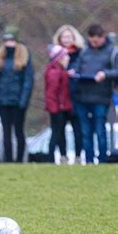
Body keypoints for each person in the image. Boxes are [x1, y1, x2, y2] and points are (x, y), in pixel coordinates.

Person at [72, 24, 118, 164]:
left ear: (103, 37)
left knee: (100, 130)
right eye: (91, 41)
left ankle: (102, 160)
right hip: (82, 96)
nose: (94, 43)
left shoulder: (113, 52)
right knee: (86, 132)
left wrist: (105, 74)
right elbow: (77, 67)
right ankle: (89, 160)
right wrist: (74, 73)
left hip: (101, 97)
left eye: (97, 41)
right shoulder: (84, 51)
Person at [0, 25, 34, 163]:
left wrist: (23, 101)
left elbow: (28, 81)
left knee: (19, 131)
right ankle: (8, 160)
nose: (9, 43)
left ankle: (20, 160)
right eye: (7, 40)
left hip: (18, 102)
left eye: (12, 40)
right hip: (3, 101)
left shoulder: (24, 57)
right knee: (6, 132)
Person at [52, 25, 85, 164]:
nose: (66, 39)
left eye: (69, 37)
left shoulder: (81, 54)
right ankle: (63, 156)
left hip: (76, 98)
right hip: (60, 100)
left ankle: (78, 156)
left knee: (78, 129)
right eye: (64, 37)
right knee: (60, 131)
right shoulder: (54, 55)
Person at [44, 45, 72, 164]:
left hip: (61, 108)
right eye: (65, 55)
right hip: (57, 109)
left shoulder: (61, 71)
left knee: (60, 134)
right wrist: (54, 109)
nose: (68, 58)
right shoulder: (55, 72)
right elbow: (51, 93)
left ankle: (63, 156)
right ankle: (50, 158)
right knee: (56, 134)